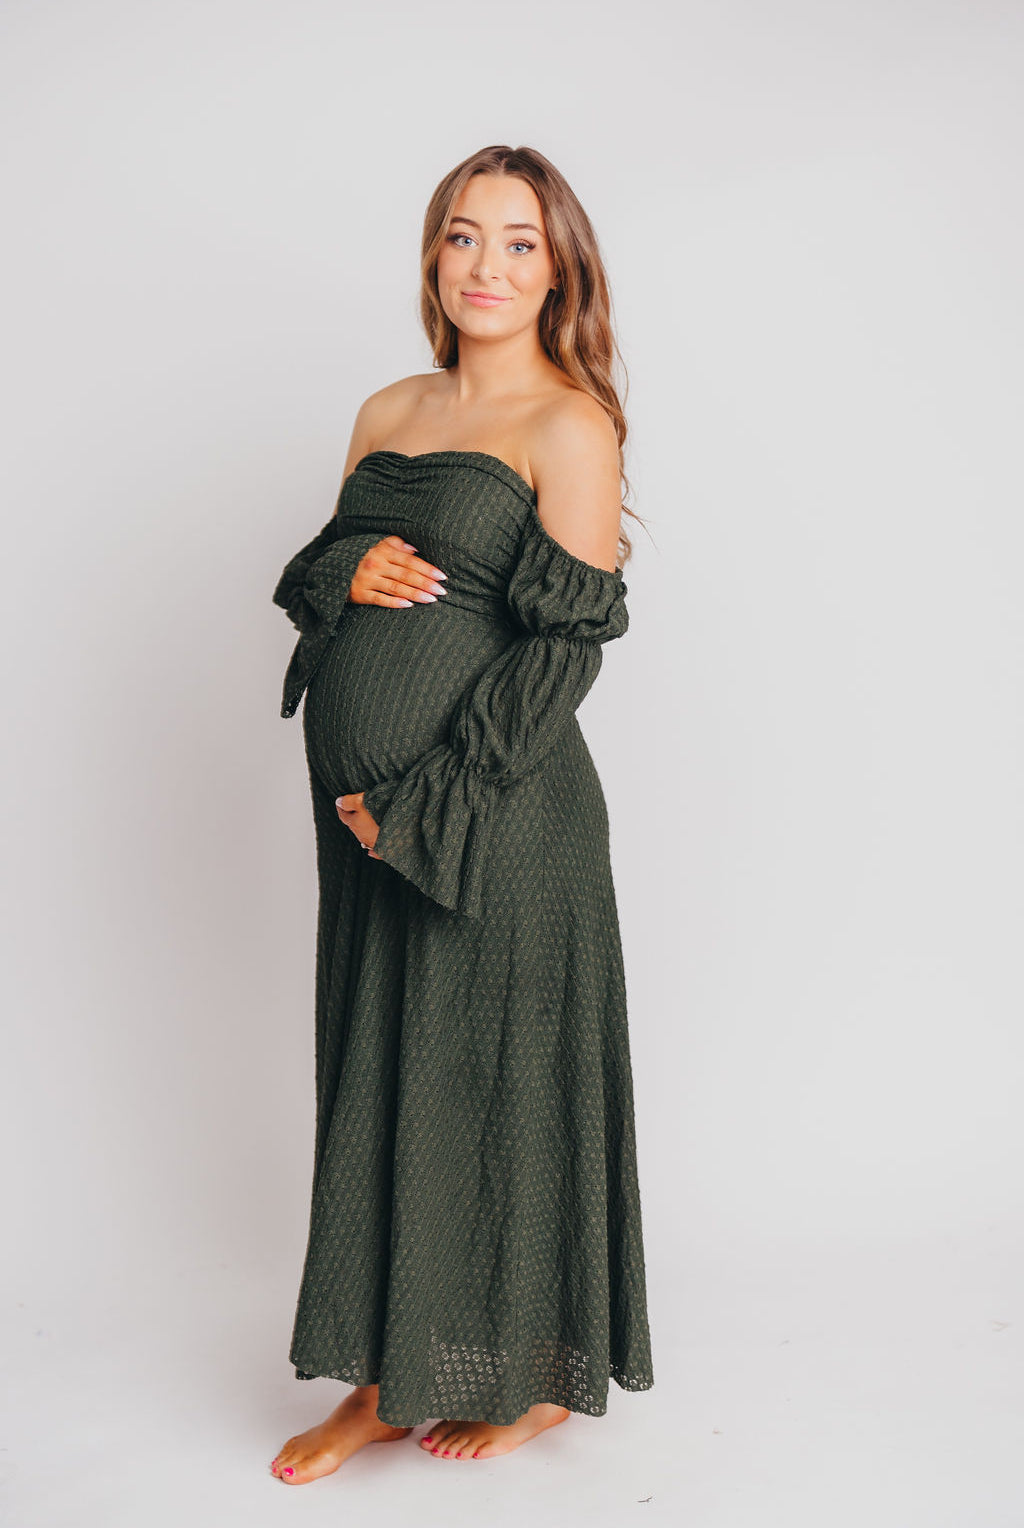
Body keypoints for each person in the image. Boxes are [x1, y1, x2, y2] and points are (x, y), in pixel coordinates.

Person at [269, 144, 653, 1483]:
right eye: (463, 236)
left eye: (519, 243)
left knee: (497, 1085)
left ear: (558, 272)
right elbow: (324, 568)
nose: (487, 265)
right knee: (388, 1077)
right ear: (434, 255)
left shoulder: (569, 425)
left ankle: (536, 1381)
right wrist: (348, 564)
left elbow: (562, 653)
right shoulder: (389, 406)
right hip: (365, 820)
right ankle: (386, 1381)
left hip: (493, 817)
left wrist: (427, 807)